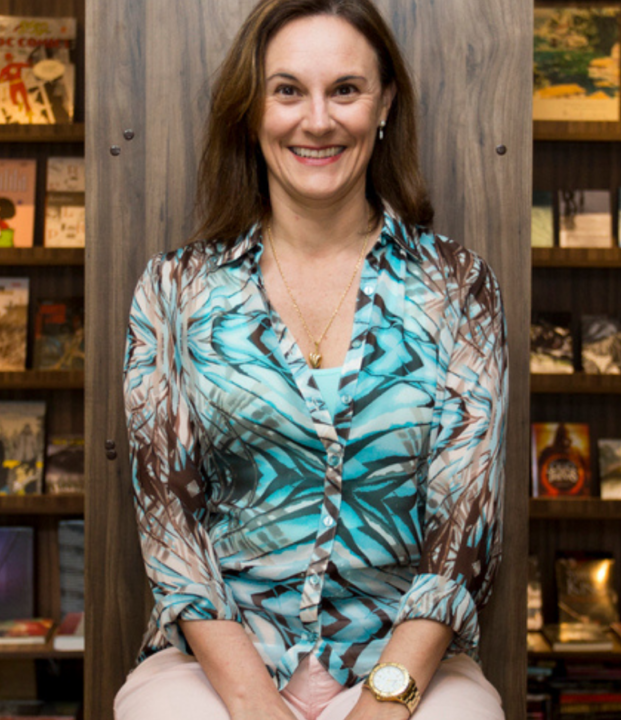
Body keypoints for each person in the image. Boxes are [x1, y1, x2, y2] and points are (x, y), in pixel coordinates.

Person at [115, 1, 507, 719]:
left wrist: (384, 703)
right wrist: (254, 705)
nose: (317, 120)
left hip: (403, 664)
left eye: (345, 90)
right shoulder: (173, 290)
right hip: (219, 669)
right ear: (250, 110)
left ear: (384, 104)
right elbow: (170, 525)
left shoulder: (458, 287)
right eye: (288, 90)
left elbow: (465, 529)